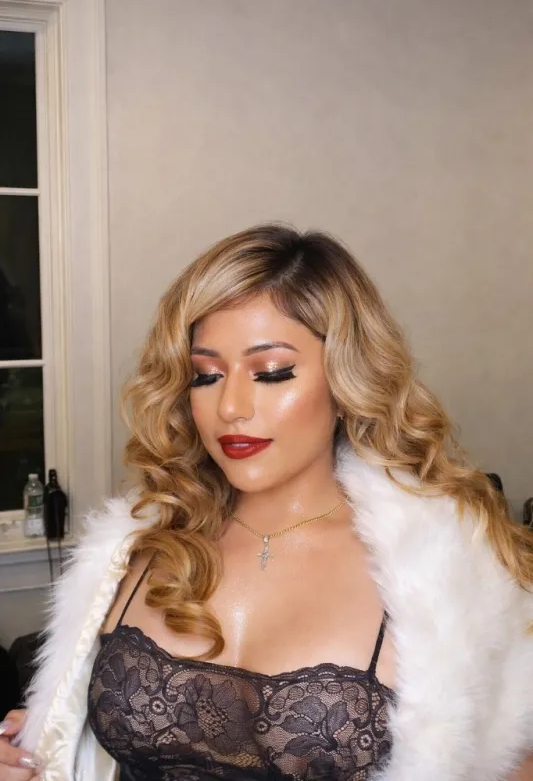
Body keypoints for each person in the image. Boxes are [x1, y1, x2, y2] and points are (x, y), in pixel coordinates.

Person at [1, 224, 533, 781]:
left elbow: (505, 758)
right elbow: (75, 743)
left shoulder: (448, 575)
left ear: (346, 378)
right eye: (206, 375)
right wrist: (37, 750)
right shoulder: (133, 547)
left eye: (272, 372)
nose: (231, 406)